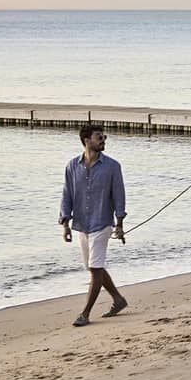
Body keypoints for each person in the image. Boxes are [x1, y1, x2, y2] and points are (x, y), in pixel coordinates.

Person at [59, 124, 128, 327]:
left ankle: (85, 313)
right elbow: (67, 195)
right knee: (94, 268)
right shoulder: (72, 166)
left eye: (104, 137)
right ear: (87, 140)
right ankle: (118, 299)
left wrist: (120, 224)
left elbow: (119, 196)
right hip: (81, 224)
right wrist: (65, 223)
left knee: (95, 267)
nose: (103, 140)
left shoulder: (112, 166)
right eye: (99, 137)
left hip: (102, 222)